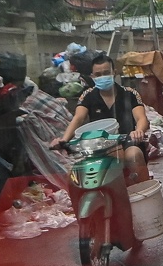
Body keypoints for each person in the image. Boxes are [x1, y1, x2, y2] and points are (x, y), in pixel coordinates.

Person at [59, 53, 151, 183]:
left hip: (127, 143)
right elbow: (78, 118)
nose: (102, 77)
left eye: (106, 73)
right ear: (92, 76)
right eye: (98, 74)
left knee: (134, 156)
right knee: (73, 171)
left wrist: (138, 131)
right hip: (97, 149)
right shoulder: (87, 96)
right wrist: (64, 140)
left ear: (114, 72)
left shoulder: (130, 93)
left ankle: (143, 192)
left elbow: (141, 118)